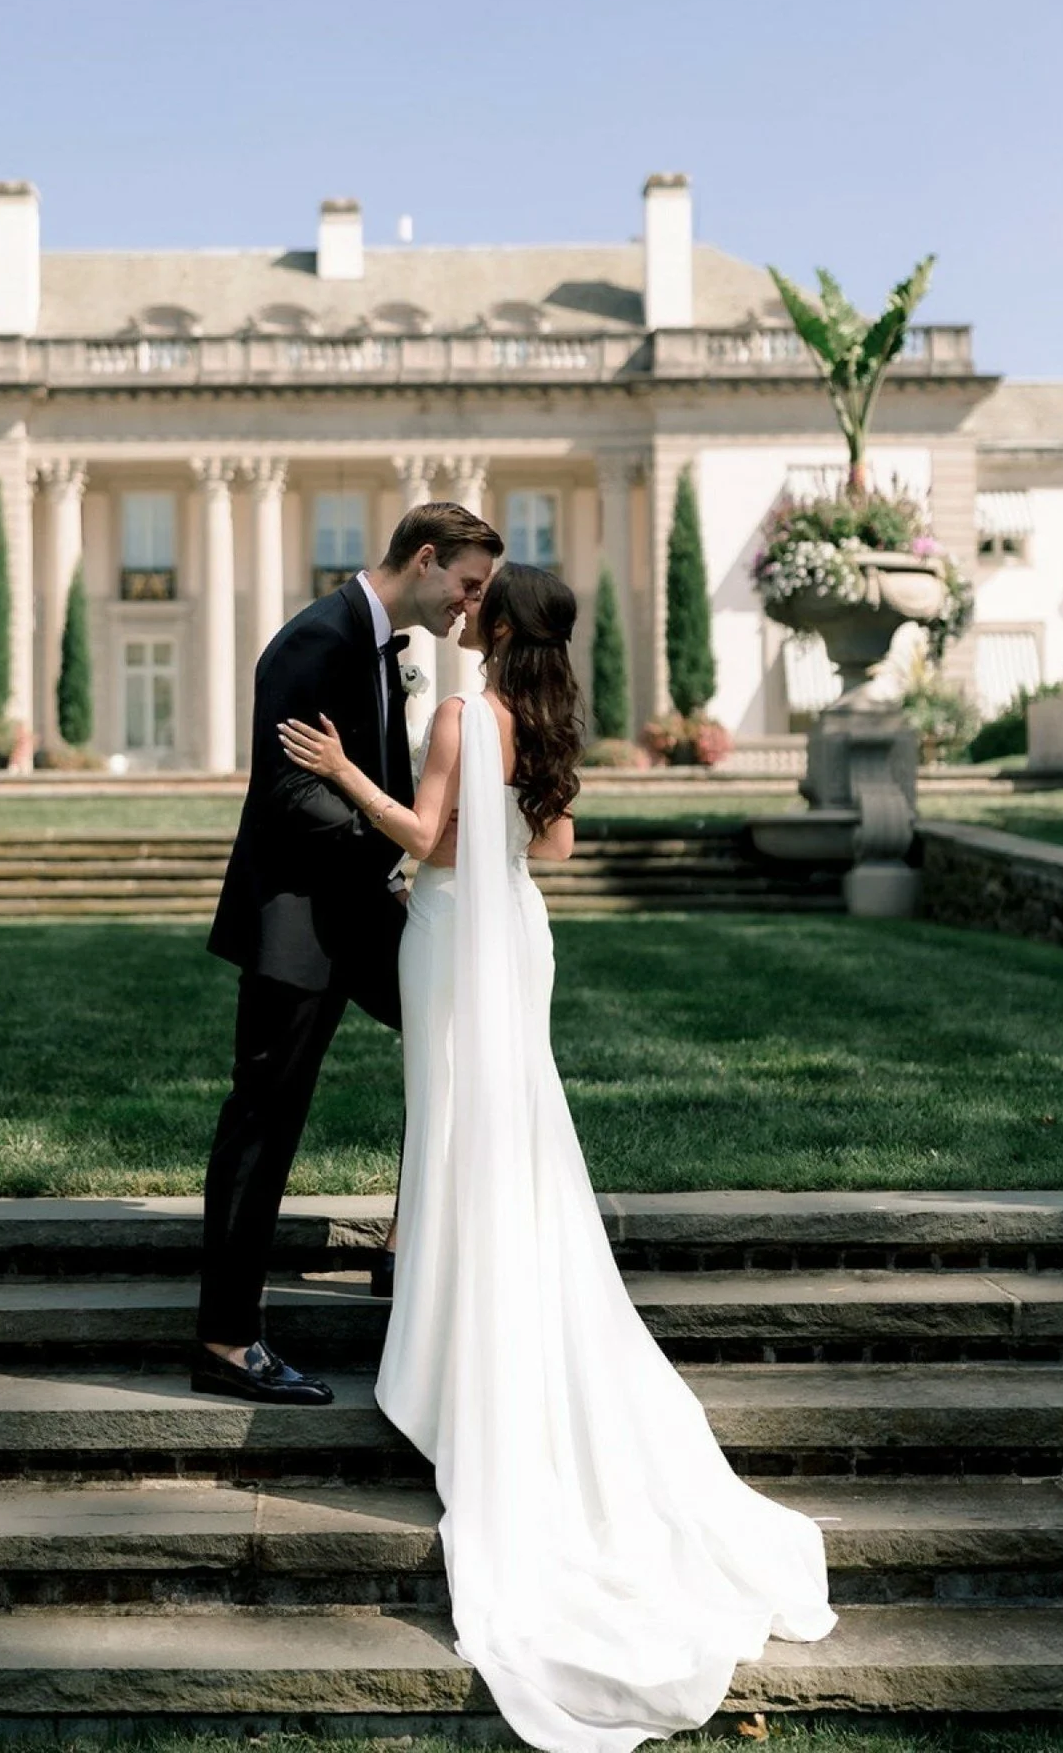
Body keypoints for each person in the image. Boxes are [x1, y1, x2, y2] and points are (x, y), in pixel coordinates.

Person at [279, 561, 835, 1752]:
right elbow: (562, 848)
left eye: (477, 599)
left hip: (449, 937)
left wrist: (343, 777)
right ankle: (487, 1306)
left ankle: (452, 1340)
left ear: (489, 622)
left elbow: (427, 843)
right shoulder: (538, 721)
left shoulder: (459, 711)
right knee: (510, 1129)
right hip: (518, 935)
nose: (461, 606)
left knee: (459, 1124)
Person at [193, 500, 504, 1405]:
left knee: (464, 1036)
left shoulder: (372, 645)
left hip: (359, 909)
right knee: (264, 1118)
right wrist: (400, 845)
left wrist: (388, 865)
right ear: (425, 557)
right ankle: (224, 1338)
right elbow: (292, 796)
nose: (470, 605)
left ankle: (408, 1255)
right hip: (296, 924)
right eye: (467, 585)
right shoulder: (314, 642)